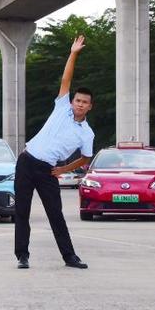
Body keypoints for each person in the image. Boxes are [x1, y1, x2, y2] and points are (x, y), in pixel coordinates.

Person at [14, 36, 93, 270]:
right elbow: (66, 79)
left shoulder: (87, 133)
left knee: (55, 214)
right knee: (22, 211)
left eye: (84, 102)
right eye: (77, 100)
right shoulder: (61, 107)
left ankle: (70, 257)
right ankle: (22, 255)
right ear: (72, 101)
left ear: (90, 106)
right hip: (26, 162)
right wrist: (73, 53)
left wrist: (63, 170)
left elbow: (86, 158)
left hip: (48, 170)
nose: (79, 104)